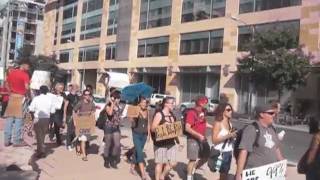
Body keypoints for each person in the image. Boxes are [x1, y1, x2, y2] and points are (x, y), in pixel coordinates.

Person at [235, 103, 285, 180]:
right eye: (271, 113)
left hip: (271, 174)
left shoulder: (272, 129)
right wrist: (239, 174)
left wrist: (282, 165)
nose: (274, 115)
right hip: (256, 174)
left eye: (274, 113)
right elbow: (243, 151)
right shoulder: (251, 129)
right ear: (261, 114)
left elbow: (276, 148)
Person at [151, 97, 181, 180]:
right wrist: (163, 126)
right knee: (160, 163)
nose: (173, 104)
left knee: (173, 163)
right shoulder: (159, 114)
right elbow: (153, 129)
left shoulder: (172, 115)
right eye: (172, 103)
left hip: (171, 142)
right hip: (160, 143)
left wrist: (179, 142)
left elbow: (174, 130)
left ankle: (162, 175)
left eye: (174, 103)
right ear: (166, 104)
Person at [4, 60, 31, 147]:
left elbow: (6, 83)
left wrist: (10, 92)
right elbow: (27, 87)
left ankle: (6, 140)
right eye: (28, 67)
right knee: (19, 119)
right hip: (21, 97)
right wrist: (28, 95)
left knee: (10, 119)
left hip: (12, 97)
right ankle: (16, 140)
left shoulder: (12, 73)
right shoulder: (25, 75)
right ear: (23, 65)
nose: (28, 69)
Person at [185, 96, 212, 180]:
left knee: (206, 156)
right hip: (192, 139)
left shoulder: (203, 111)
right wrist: (198, 135)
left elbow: (204, 123)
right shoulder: (191, 113)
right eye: (205, 103)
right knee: (193, 159)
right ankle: (189, 177)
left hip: (202, 138)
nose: (207, 104)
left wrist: (213, 127)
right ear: (200, 103)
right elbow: (187, 128)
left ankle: (193, 169)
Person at [28, 85, 56, 158]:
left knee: (38, 135)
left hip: (37, 118)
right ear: (47, 91)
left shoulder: (36, 99)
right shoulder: (50, 99)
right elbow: (53, 111)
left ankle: (40, 151)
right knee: (43, 135)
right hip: (46, 119)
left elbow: (31, 109)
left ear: (40, 91)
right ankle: (41, 150)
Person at [211, 103, 237, 180]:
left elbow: (229, 137)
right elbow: (214, 140)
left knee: (224, 175)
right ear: (222, 111)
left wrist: (233, 137)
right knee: (223, 175)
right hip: (220, 152)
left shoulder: (230, 123)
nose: (231, 111)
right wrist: (229, 136)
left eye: (231, 109)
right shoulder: (218, 123)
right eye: (228, 110)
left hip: (228, 152)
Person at [128, 97, 150, 180]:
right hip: (136, 134)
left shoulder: (147, 111)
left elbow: (148, 123)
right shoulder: (135, 110)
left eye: (145, 102)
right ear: (139, 103)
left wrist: (149, 136)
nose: (144, 104)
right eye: (143, 102)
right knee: (140, 154)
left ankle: (132, 167)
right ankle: (143, 174)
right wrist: (133, 116)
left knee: (137, 152)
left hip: (144, 135)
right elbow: (130, 120)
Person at [73, 89, 96, 161]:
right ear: (83, 96)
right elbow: (74, 111)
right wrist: (75, 121)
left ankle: (78, 146)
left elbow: (93, 113)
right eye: (86, 94)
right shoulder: (80, 103)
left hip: (88, 123)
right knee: (83, 139)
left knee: (84, 139)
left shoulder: (92, 104)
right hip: (81, 122)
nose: (87, 96)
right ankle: (84, 155)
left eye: (89, 94)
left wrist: (93, 122)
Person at [103, 90, 123, 168]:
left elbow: (118, 116)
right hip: (108, 127)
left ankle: (112, 159)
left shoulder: (119, 106)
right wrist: (112, 104)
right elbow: (110, 113)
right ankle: (106, 160)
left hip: (116, 127)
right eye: (117, 98)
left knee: (117, 145)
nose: (119, 100)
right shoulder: (108, 105)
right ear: (113, 98)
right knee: (108, 144)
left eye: (119, 98)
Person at [63, 84, 80, 151]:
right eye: (77, 88)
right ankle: (68, 145)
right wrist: (64, 117)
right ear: (74, 88)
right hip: (69, 115)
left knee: (74, 131)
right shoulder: (69, 96)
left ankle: (71, 142)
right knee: (69, 130)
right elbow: (65, 107)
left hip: (75, 115)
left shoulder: (77, 97)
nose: (78, 89)